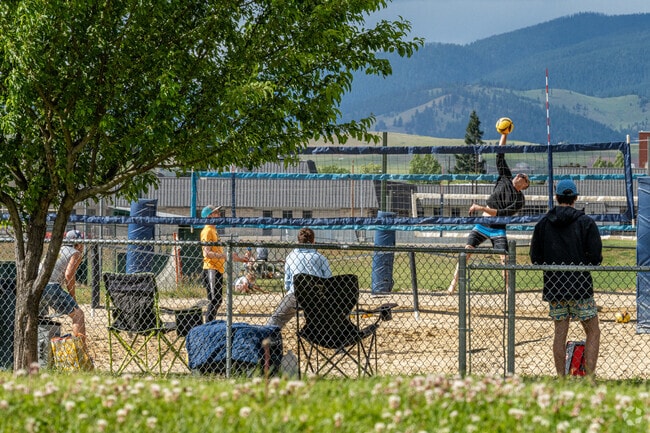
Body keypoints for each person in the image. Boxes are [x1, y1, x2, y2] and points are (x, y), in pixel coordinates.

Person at [529, 179, 602, 377]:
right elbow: (596, 258)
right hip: (580, 286)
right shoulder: (586, 222)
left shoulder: (544, 223)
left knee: (560, 334)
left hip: (555, 287)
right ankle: (590, 377)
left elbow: (535, 257)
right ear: (575, 198)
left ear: (556, 197)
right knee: (593, 331)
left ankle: (561, 378)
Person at [447, 132, 530, 293]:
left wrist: (481, 208)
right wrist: (504, 134)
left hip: (498, 227)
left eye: (524, 177)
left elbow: (500, 213)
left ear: (525, 185)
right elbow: (500, 153)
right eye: (519, 174)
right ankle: (453, 284)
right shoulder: (505, 177)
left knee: (505, 259)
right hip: (483, 224)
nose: (520, 175)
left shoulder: (520, 199)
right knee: (467, 252)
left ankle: (508, 289)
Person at [266, 227, 332, 329]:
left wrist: (288, 289)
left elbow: (287, 282)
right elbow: (329, 279)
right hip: (318, 297)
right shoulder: (320, 257)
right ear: (313, 241)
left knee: (276, 319)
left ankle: (267, 341)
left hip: (296, 294)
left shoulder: (291, 256)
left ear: (298, 241)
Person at [200, 205, 249, 321]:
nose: (219, 214)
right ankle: (208, 324)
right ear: (209, 216)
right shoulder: (207, 231)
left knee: (216, 299)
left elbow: (222, 255)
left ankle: (209, 322)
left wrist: (240, 259)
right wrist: (225, 256)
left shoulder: (214, 231)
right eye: (216, 212)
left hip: (217, 268)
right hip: (211, 268)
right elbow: (207, 253)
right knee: (215, 299)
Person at [39, 230, 87, 347]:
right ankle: (80, 350)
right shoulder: (76, 253)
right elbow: (69, 275)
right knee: (78, 314)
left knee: (40, 318)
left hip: (38, 285)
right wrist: (73, 297)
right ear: (79, 244)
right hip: (51, 286)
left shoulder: (58, 250)